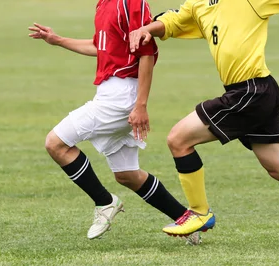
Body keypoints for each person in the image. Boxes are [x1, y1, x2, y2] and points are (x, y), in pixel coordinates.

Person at [128, 0, 279, 250]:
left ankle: (199, 212)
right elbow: (173, 22)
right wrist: (148, 29)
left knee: (178, 139)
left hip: (251, 91)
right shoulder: (198, 4)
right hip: (254, 92)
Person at [27, 0, 193, 240]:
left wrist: (140, 105)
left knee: (56, 143)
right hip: (112, 94)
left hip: (120, 99)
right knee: (126, 175)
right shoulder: (104, 4)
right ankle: (185, 220)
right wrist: (59, 40)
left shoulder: (130, 3)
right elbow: (102, 47)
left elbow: (146, 54)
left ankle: (105, 203)